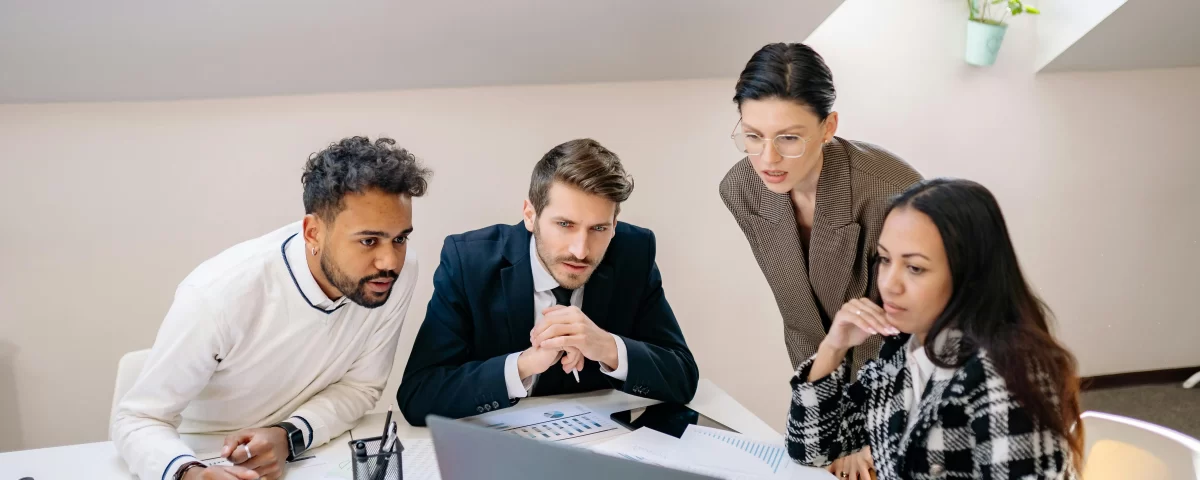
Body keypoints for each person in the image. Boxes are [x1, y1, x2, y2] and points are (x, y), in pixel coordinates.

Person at [111, 137, 430, 480]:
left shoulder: (392, 272)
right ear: (313, 233)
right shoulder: (218, 294)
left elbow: (360, 387)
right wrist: (190, 473)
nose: (389, 260)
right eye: (369, 240)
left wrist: (288, 436)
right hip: (199, 454)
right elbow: (138, 419)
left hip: (306, 455)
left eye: (400, 238)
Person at [787, 179, 1082, 480]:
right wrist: (833, 347)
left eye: (914, 268)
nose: (888, 284)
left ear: (968, 273)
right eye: (885, 260)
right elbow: (812, 450)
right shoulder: (902, 349)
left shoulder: (1007, 371)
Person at [719, 42, 922, 475]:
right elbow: (803, 319)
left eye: (789, 138)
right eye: (753, 136)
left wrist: (861, 436)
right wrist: (825, 427)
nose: (767, 159)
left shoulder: (893, 192)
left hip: (907, 385)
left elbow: (899, 327)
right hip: (822, 381)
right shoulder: (740, 189)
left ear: (828, 127)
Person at [397, 138, 699, 426]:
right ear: (530, 215)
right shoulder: (469, 262)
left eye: (598, 228)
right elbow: (418, 395)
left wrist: (607, 346)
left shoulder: (634, 253)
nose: (581, 250)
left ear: (614, 226)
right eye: (564, 224)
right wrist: (523, 366)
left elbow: (682, 376)